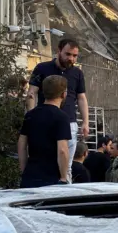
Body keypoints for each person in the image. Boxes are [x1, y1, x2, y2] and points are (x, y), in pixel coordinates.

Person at [26, 38, 89, 183]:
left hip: (69, 122)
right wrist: (31, 115)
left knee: (66, 167)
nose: (71, 59)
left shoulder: (77, 73)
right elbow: (31, 93)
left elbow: (81, 98)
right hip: (45, 122)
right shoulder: (42, 68)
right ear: (58, 51)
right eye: (68, 54)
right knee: (44, 161)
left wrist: (85, 122)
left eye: (74, 56)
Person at [18, 75, 71, 188]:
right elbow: (62, 150)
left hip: (30, 175)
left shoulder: (30, 115)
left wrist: (23, 171)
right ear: (63, 94)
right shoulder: (61, 117)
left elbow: (21, 145)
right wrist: (63, 177)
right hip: (51, 178)